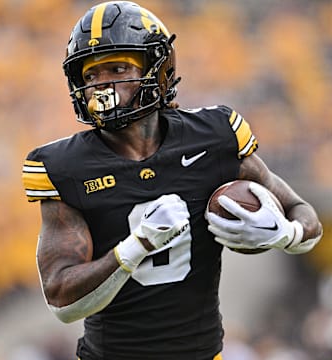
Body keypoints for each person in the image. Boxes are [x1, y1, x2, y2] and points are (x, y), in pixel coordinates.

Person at [22, 2, 323, 359]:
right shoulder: (65, 165)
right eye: (90, 76)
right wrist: (134, 248)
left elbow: (307, 218)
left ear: (159, 69)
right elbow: (62, 300)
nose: (102, 85)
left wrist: (284, 234)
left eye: (117, 68)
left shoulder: (214, 137)